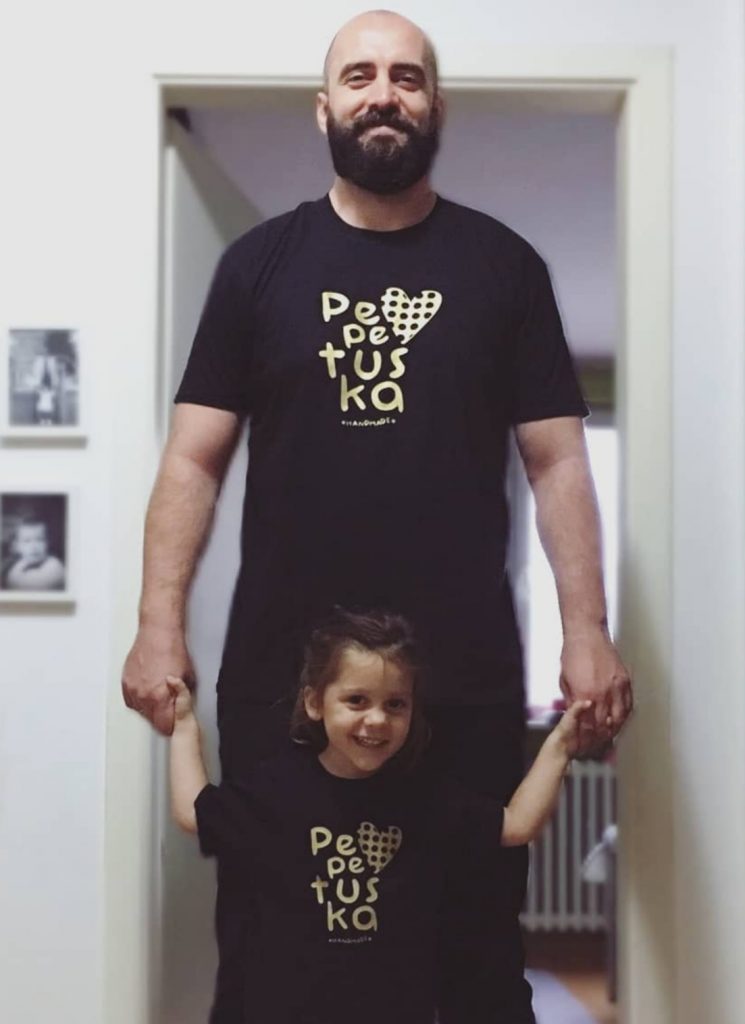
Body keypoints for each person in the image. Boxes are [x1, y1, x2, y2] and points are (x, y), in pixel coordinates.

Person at [122, 9, 633, 1020]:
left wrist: (586, 630)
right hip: (285, 676)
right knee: (271, 957)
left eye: (406, 76)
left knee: (474, 957)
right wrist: (155, 623)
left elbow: (557, 463)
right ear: (325, 109)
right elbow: (191, 459)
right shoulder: (257, 267)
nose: (382, 93)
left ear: (435, 106)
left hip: (459, 676)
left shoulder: (504, 268)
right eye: (359, 76)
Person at [167, 608, 593, 1024]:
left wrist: (561, 745)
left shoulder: (426, 797)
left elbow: (516, 825)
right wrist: (184, 725)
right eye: (356, 700)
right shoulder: (276, 790)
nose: (376, 720)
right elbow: (192, 813)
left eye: (395, 704)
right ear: (315, 702)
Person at [3, 517, 65, 591]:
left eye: (40, 540)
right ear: (16, 546)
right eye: (27, 541)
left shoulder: (54, 566)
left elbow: (26, 586)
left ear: (48, 542)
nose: (34, 547)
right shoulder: (16, 565)